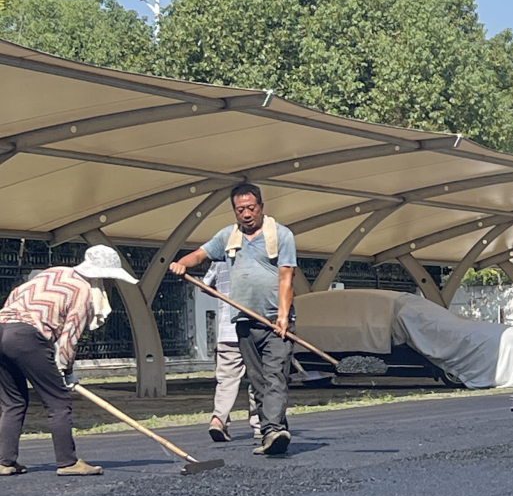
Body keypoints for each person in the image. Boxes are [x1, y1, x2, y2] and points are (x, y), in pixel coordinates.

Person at [171, 183, 297, 457]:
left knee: (275, 375)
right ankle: (272, 432)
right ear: (235, 212)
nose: (247, 214)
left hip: (275, 321)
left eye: (251, 208)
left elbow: (287, 277)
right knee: (259, 379)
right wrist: (183, 262)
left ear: (261, 207)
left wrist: (284, 316)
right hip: (243, 321)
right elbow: (200, 254)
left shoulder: (281, 235)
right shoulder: (228, 236)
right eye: (240, 210)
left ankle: (274, 429)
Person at [0, 244, 140, 476]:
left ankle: (4, 461)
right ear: (101, 277)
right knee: (57, 401)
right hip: (27, 336)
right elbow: (69, 338)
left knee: (13, 402)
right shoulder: (83, 291)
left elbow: (16, 295)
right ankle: (67, 462)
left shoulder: (53, 272)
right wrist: (66, 371)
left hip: (2, 326)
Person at [201, 257, 261, 445]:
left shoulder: (220, 261)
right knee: (258, 377)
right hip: (255, 329)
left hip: (227, 331)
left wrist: (223, 295)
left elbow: (204, 286)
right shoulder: (261, 259)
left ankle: (219, 419)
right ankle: (260, 424)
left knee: (226, 380)